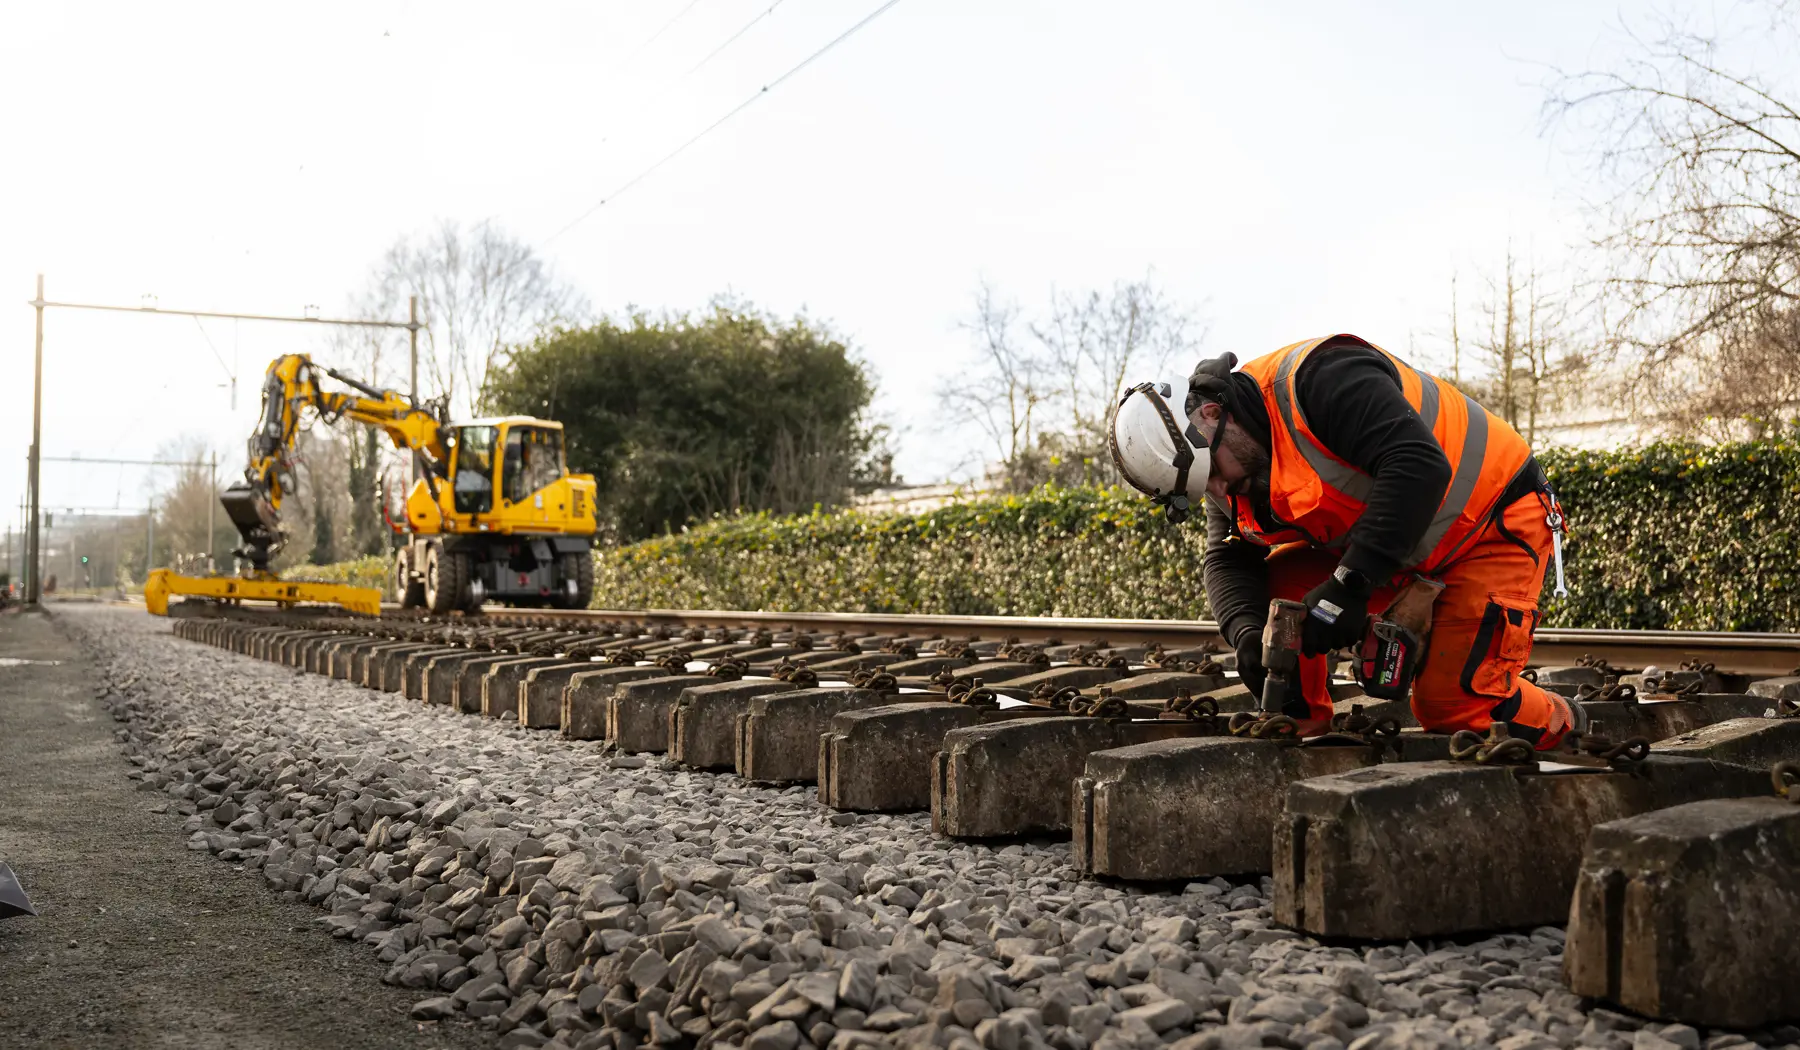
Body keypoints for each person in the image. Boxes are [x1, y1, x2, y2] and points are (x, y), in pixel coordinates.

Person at [1108, 333, 1583, 747]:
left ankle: (1566, 721)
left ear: (1212, 414)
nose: (1218, 490)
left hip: (1492, 526)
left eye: (1213, 473)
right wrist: (1247, 634)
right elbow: (1228, 558)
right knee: (1274, 598)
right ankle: (1297, 721)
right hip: (1405, 551)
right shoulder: (1224, 467)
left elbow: (1418, 465)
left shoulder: (1323, 378)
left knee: (1454, 707)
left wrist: (1349, 586)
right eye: (1203, 488)